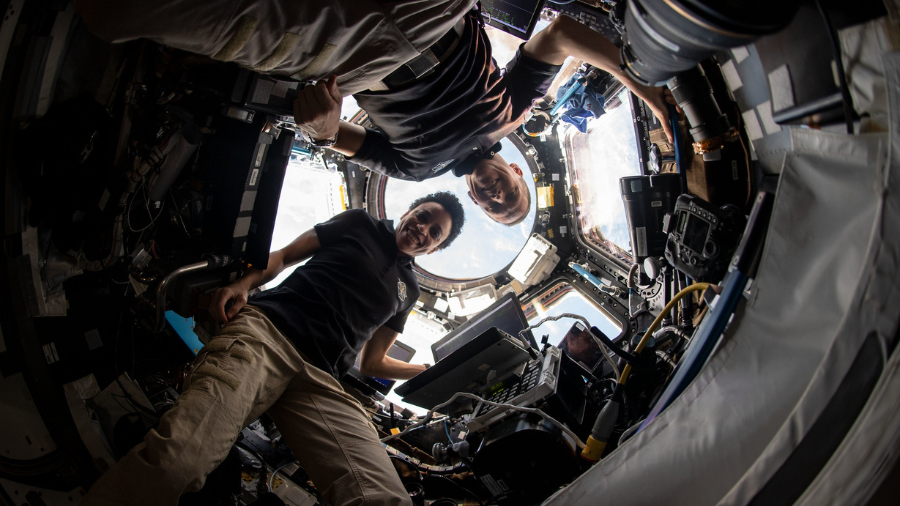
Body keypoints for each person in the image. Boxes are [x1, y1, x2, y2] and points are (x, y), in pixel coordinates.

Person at [76, 1, 674, 226]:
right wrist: (644, 85)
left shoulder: (414, 173)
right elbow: (564, 32)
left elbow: (346, 142)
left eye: (493, 209)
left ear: (475, 199)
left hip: (350, 58)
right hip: (430, 15)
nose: (497, 196)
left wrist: (323, 128)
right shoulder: (515, 112)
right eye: (511, 197)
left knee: (112, 17)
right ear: (519, 174)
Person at [81, 192, 466, 506]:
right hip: (268, 334)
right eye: (423, 216)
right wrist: (244, 283)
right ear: (409, 210)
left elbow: (372, 362)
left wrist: (431, 372)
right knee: (179, 462)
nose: (423, 229)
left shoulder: (409, 290)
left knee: (385, 500)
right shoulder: (360, 223)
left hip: (321, 379)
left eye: (435, 233)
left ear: (434, 249)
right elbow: (283, 256)